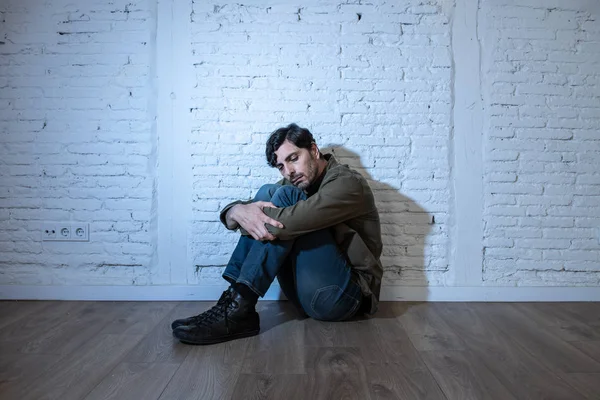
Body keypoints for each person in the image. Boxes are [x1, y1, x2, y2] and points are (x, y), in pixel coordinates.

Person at [172, 123, 383, 345]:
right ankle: (233, 303)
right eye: (281, 166)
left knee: (283, 198)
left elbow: (286, 223)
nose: (289, 171)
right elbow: (255, 207)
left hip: (346, 297)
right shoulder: (299, 183)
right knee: (268, 192)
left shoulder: (347, 183)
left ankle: (239, 308)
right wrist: (234, 211)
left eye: (293, 158)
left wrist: (243, 218)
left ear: (313, 150)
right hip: (306, 294)